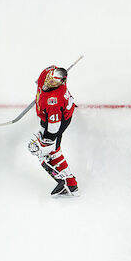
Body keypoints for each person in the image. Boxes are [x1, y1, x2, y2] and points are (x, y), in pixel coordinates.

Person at [27, 65, 79, 197]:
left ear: (61, 82)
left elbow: (54, 128)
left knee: (48, 153)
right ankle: (71, 185)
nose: (49, 82)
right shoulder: (46, 72)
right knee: (51, 151)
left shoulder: (53, 102)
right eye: (50, 78)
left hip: (60, 120)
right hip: (58, 112)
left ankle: (69, 186)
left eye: (54, 82)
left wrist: (47, 142)